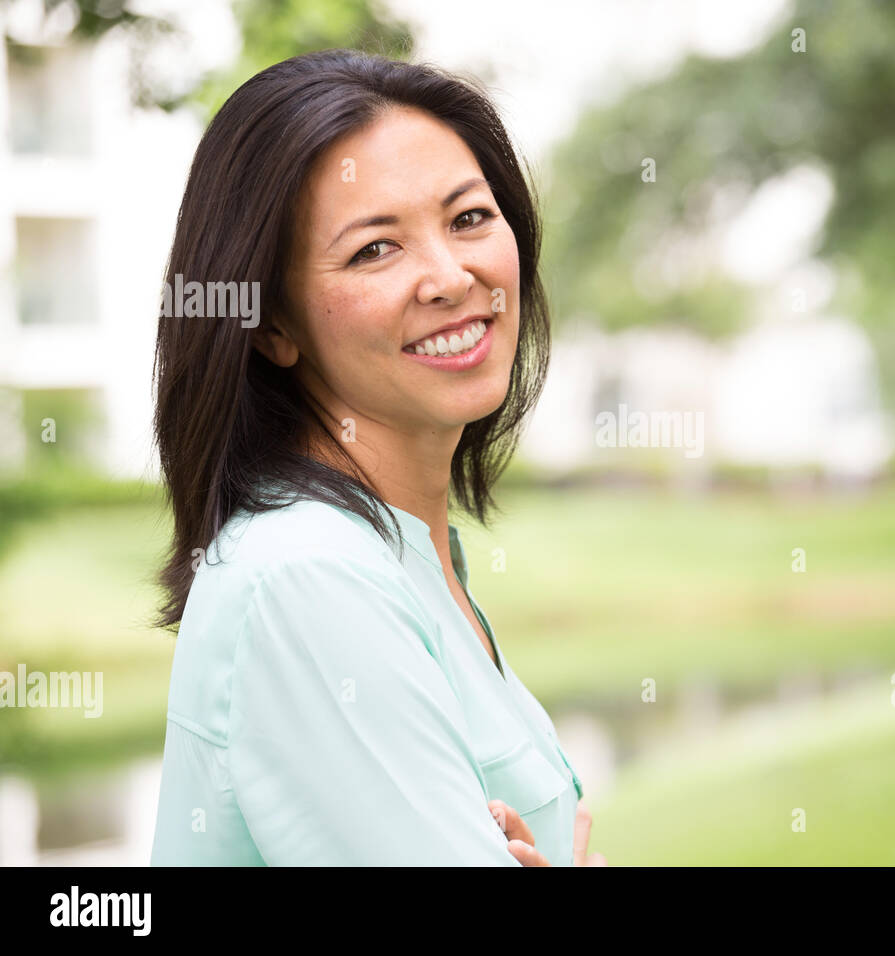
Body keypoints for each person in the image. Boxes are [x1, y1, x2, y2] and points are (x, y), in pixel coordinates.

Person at [148, 49, 604, 866]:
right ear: (272, 327)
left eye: (468, 219)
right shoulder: (309, 579)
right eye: (374, 251)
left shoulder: (403, 556)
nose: (449, 277)